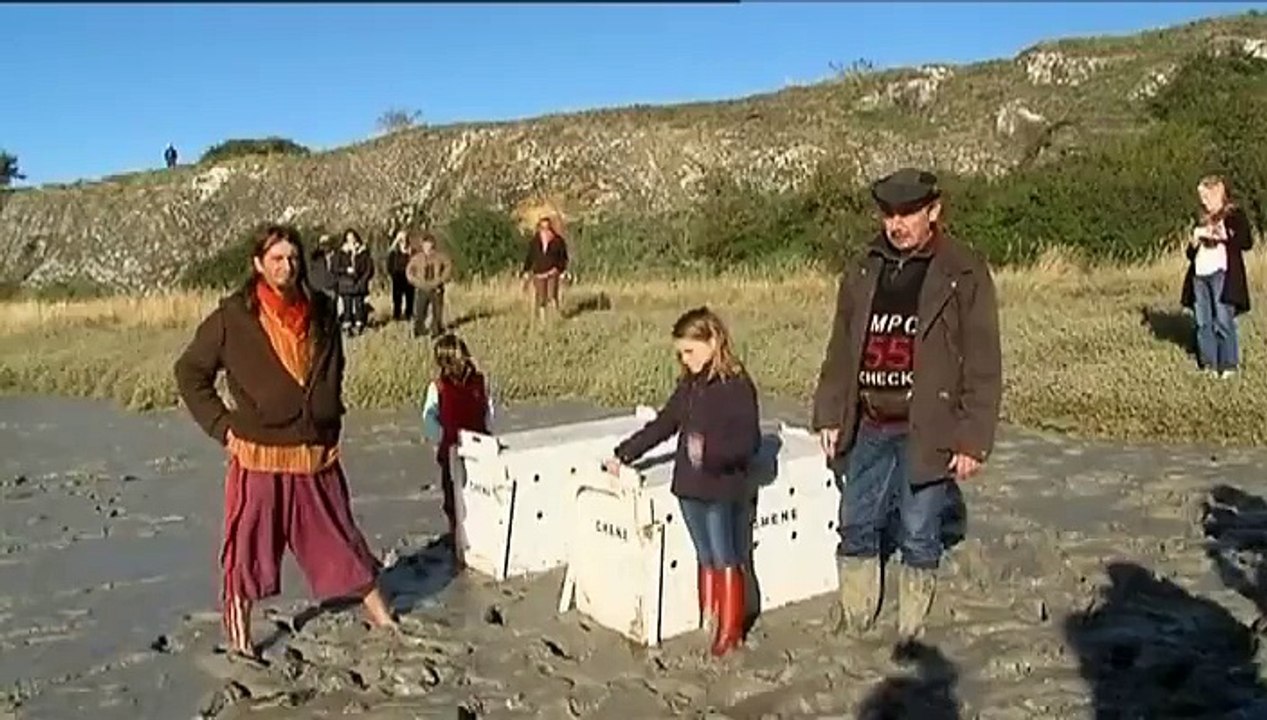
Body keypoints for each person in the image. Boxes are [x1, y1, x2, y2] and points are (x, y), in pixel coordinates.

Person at [172, 224, 396, 661]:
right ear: (258, 264)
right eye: (276, 258)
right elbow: (189, 372)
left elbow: (334, 366)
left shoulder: (321, 309)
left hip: (313, 451)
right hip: (258, 454)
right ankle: (241, 642)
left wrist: (329, 410)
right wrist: (222, 426)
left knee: (341, 537)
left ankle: (383, 617)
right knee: (246, 551)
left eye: (292, 258)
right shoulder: (233, 318)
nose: (286, 266)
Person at [811, 167, 1002, 649]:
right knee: (856, 521)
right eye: (889, 214)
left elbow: (983, 361)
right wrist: (830, 412)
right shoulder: (863, 266)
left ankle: (911, 629)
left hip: (930, 425)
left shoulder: (964, 271)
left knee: (918, 530)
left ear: (933, 211)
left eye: (908, 213)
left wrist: (972, 439)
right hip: (869, 420)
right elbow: (841, 348)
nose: (896, 224)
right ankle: (857, 615)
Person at [604, 307, 761, 657]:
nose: (685, 359)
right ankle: (709, 618)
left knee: (726, 555)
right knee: (704, 554)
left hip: (721, 486)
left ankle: (730, 633)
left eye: (689, 351)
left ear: (713, 342)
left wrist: (711, 453)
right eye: (680, 353)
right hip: (688, 487)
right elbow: (664, 424)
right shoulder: (689, 385)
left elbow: (748, 442)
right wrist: (624, 454)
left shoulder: (737, 386)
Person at [420, 333, 496, 570]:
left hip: (469, 450)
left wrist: (488, 440)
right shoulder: (447, 386)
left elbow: (488, 412)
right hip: (465, 450)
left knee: (470, 497)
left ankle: (470, 543)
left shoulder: (469, 383)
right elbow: (430, 420)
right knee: (465, 498)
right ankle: (465, 543)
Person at [1181, 174, 1254, 378]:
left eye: (1206, 196)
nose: (1203, 201)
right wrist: (1195, 241)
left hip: (1222, 272)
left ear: (1217, 193)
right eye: (1201, 197)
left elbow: (1246, 242)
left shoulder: (1233, 215)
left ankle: (1228, 364)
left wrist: (1224, 235)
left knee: (1223, 319)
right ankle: (1209, 364)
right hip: (1200, 274)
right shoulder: (1201, 218)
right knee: (1203, 322)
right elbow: (1190, 254)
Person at [406, 230, 454, 339]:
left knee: (437, 311)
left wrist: (441, 279)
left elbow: (449, 266)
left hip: (436, 287)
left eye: (429, 243)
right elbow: (409, 271)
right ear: (422, 245)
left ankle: (436, 330)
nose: (427, 246)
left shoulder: (440, 256)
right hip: (422, 288)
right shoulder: (417, 258)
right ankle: (419, 330)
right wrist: (416, 282)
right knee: (420, 311)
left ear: (433, 244)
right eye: (425, 244)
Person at [521, 216, 569, 321]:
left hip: (553, 271)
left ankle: (555, 317)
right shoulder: (534, 241)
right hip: (539, 272)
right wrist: (526, 271)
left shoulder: (558, 241)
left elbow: (563, 257)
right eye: (542, 227)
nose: (545, 230)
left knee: (552, 295)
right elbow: (530, 256)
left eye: (547, 227)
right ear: (539, 228)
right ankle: (543, 320)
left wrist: (562, 270)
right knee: (541, 297)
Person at [332, 228, 374, 336]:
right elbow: (335, 268)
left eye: (353, 238)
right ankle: (348, 326)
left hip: (359, 283)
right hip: (346, 283)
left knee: (359, 304)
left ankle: (360, 325)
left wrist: (363, 280)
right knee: (347, 305)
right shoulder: (340, 253)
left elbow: (369, 268)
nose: (352, 241)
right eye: (349, 239)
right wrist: (346, 270)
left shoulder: (363, 252)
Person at [386, 230, 416, 322]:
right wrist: (392, 274)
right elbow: (389, 265)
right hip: (397, 278)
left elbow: (416, 264)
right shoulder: (394, 252)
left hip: (409, 279)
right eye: (401, 239)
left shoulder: (412, 251)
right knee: (397, 299)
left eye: (405, 238)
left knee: (410, 299)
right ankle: (396, 317)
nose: (403, 241)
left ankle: (409, 316)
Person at [306, 234, 337, 301]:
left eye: (327, 243)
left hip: (332, 291)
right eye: (323, 243)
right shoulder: (315, 257)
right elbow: (311, 275)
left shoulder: (335, 256)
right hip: (318, 291)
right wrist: (323, 290)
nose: (325, 246)